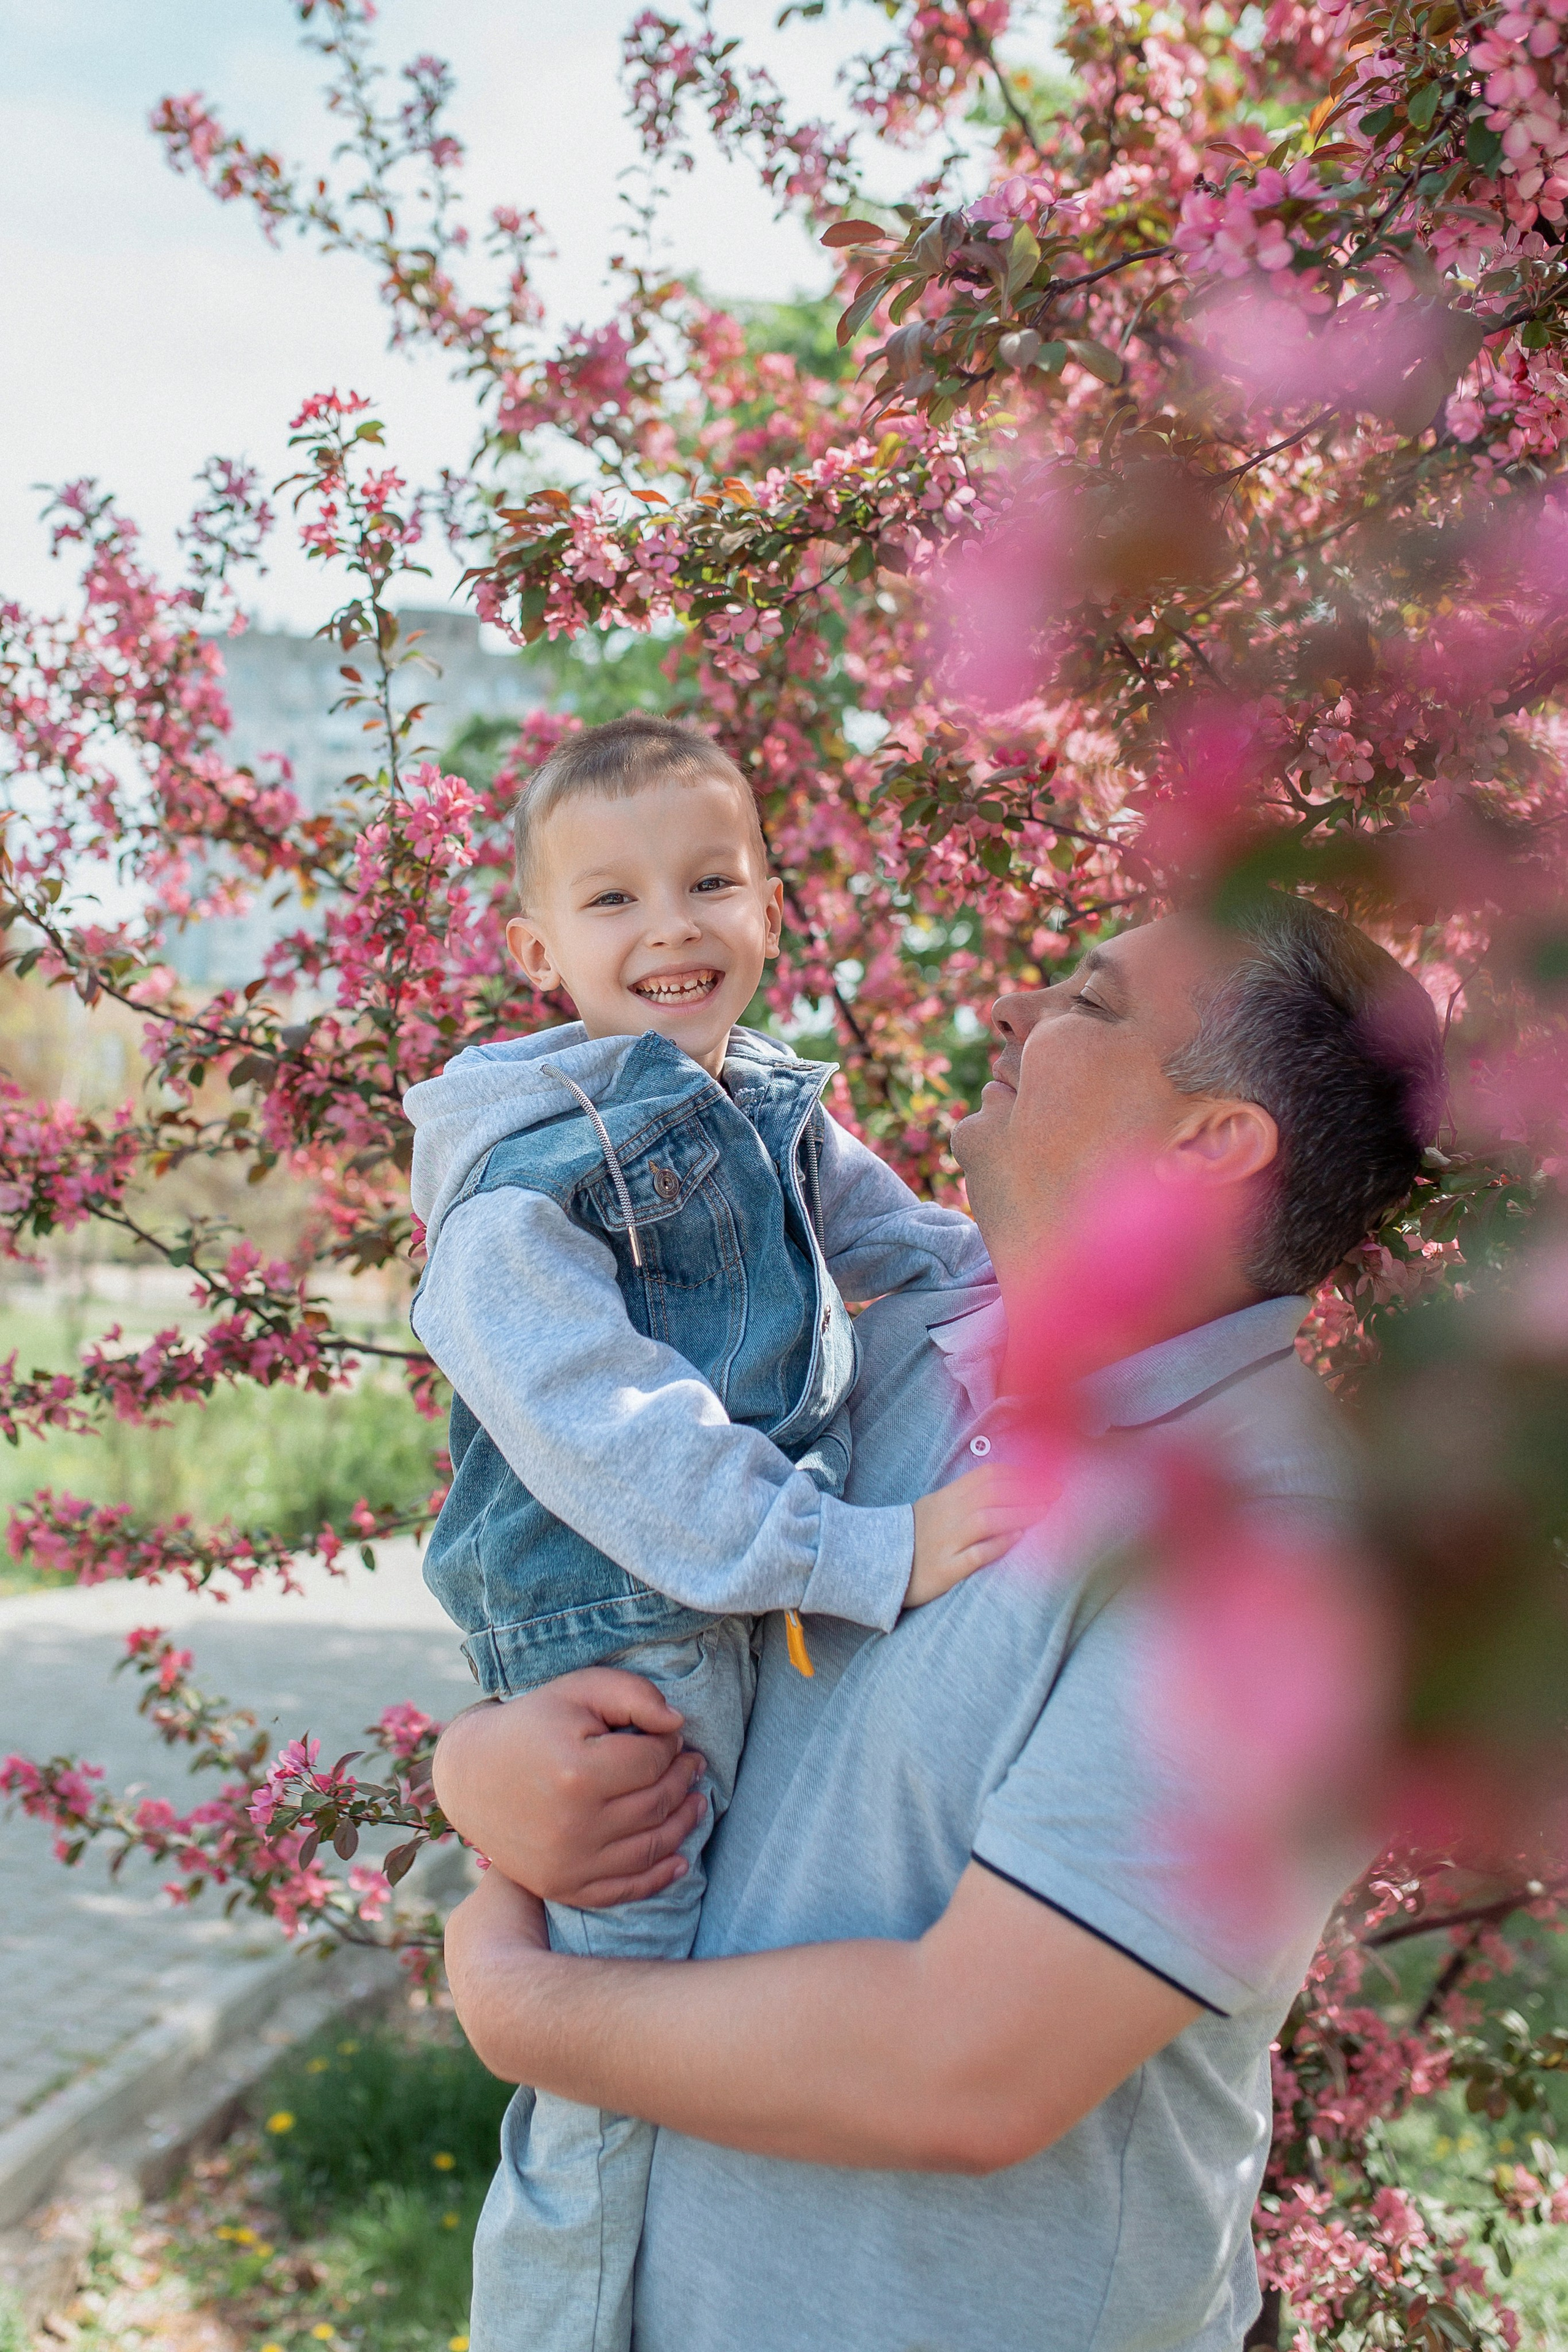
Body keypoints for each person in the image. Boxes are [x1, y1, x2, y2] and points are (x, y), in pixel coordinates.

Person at [434, 893, 1447, 2352]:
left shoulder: (1277, 1569)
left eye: (1090, 1004)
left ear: (1209, 1142)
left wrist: (520, 2010)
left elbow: (965, 2066)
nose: (1014, 1012)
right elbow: (589, 1612)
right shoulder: (879, 1352)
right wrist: (482, 1766)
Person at [404, 713, 1025, 2352]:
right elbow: (609, 1430)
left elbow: (936, 1259)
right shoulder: (523, 1180)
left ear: (770, 905)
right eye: (611, 903)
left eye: (709, 881)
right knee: (611, 2048)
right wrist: (861, 1555)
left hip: (714, 1591)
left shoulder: (761, 1102)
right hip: (616, 1633)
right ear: (536, 948)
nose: (668, 929)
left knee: (698, 2001)